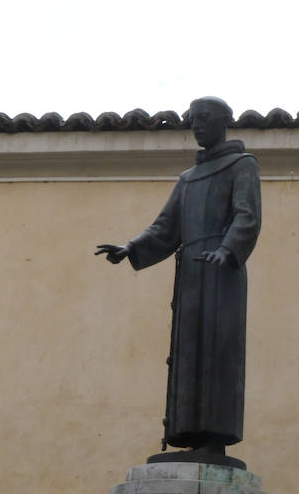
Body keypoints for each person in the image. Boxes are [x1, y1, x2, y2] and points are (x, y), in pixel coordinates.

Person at [96, 96, 261, 458]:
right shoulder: (188, 179)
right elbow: (166, 227)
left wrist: (228, 249)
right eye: (191, 120)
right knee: (189, 354)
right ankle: (192, 435)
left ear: (223, 122)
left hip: (223, 274)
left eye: (203, 118)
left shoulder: (242, 165)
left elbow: (247, 215)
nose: (196, 125)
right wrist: (131, 248)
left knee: (217, 353)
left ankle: (215, 439)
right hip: (191, 277)